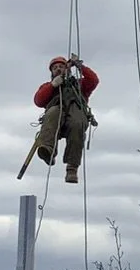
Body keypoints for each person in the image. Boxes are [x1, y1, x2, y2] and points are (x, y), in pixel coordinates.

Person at [31, 54, 99, 184]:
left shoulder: (79, 85)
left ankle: (72, 168)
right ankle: (48, 150)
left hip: (74, 118)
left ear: (67, 69)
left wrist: (80, 66)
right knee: (52, 112)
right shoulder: (49, 87)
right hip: (56, 121)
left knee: (77, 123)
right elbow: (39, 100)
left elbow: (93, 81)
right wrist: (52, 86)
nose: (58, 69)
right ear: (51, 72)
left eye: (61, 66)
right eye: (55, 67)